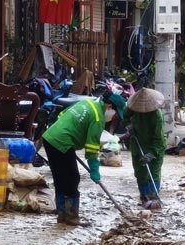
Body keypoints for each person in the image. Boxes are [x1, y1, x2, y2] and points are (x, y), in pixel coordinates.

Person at [42, 91, 126, 225]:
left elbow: (62, 115)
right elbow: (92, 147)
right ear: (109, 106)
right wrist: (94, 169)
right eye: (115, 113)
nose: (114, 117)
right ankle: (71, 217)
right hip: (62, 142)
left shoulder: (87, 103)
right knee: (72, 178)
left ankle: (62, 214)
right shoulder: (98, 117)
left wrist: (71, 136)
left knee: (60, 178)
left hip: (49, 137)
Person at [123, 87, 166, 210]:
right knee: (140, 173)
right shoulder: (132, 108)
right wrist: (128, 125)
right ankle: (144, 198)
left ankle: (153, 199)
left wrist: (151, 154)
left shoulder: (156, 116)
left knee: (154, 172)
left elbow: (158, 138)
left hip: (155, 146)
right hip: (138, 143)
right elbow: (124, 118)